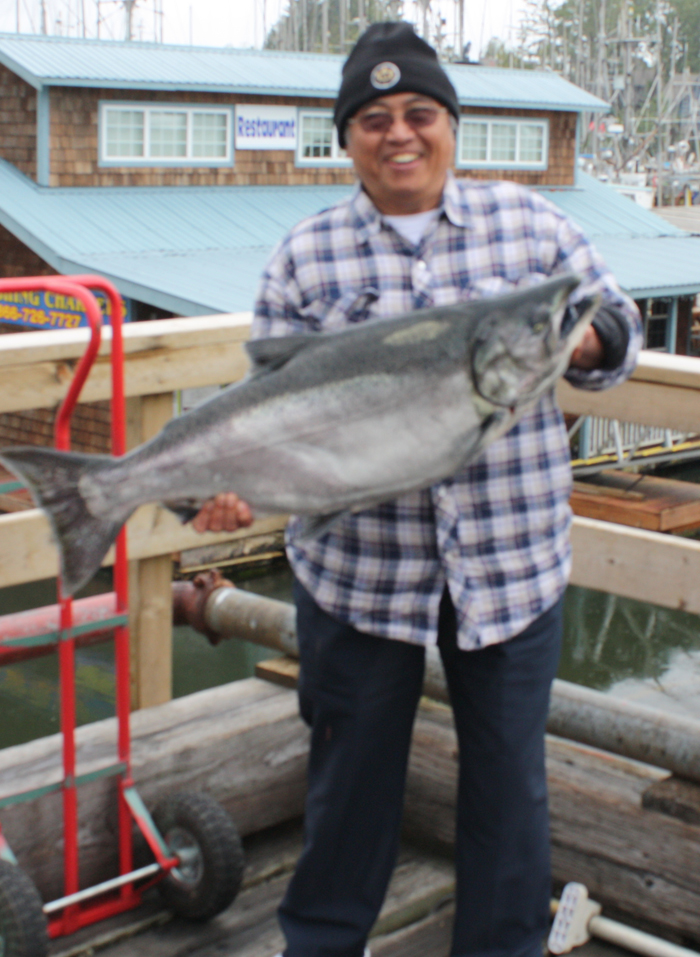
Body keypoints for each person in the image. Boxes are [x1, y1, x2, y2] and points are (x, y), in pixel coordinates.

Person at [193, 22, 642, 957]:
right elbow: (266, 406)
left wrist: (586, 340)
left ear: (451, 124)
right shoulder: (305, 257)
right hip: (358, 577)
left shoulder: (533, 227)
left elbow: (615, 321)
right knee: (349, 785)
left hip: (510, 565)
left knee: (509, 789)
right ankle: (321, 944)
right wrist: (230, 485)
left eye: (420, 113)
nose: (399, 133)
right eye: (373, 118)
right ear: (347, 137)